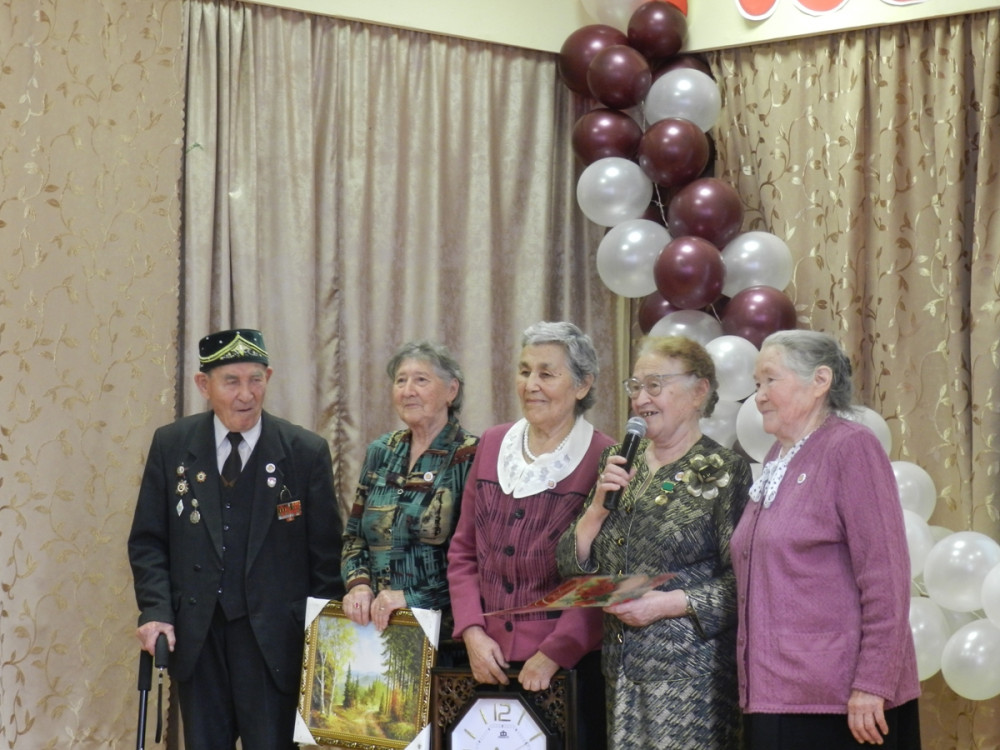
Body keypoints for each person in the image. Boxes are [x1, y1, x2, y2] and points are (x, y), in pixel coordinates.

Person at [127, 329, 344, 750]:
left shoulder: (304, 451)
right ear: (203, 385)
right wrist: (155, 611)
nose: (246, 394)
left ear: (268, 378)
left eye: (255, 379)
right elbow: (148, 541)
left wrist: (325, 648)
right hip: (198, 639)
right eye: (231, 382)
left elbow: (326, 560)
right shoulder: (172, 445)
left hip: (273, 645)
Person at [556, 335, 752, 749]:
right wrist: (597, 510)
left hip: (691, 679)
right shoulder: (617, 462)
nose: (641, 399)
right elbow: (569, 565)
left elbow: (745, 585)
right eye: (635, 386)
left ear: (699, 391)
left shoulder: (724, 471)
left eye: (655, 385)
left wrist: (664, 605)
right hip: (620, 670)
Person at [732, 330, 921, 749]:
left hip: (842, 703)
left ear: (820, 381)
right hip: (774, 692)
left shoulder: (851, 447)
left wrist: (873, 683)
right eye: (756, 384)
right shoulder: (777, 456)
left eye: (770, 380)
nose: (759, 397)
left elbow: (886, 576)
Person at [447, 321, 614, 748]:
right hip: (485, 659)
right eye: (524, 371)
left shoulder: (604, 457)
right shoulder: (492, 443)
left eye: (546, 373)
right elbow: (464, 550)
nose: (531, 385)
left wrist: (557, 650)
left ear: (582, 385)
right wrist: (472, 632)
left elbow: (603, 575)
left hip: (566, 668)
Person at [341, 341, 478, 643]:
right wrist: (358, 585)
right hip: (373, 630)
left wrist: (411, 597)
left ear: (451, 390)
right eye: (400, 381)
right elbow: (354, 537)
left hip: (444, 634)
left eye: (421, 380)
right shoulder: (381, 451)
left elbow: (478, 558)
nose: (407, 391)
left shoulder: (470, 456)